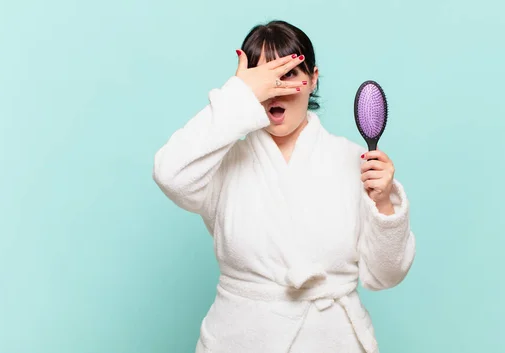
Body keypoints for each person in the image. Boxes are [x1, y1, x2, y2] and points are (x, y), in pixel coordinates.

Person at [152, 19, 416, 353]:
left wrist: (384, 205)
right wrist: (239, 96)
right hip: (241, 340)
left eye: (288, 73)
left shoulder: (355, 162)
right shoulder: (220, 165)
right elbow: (170, 174)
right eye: (263, 79)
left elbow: (385, 275)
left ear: (313, 79)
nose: (275, 88)